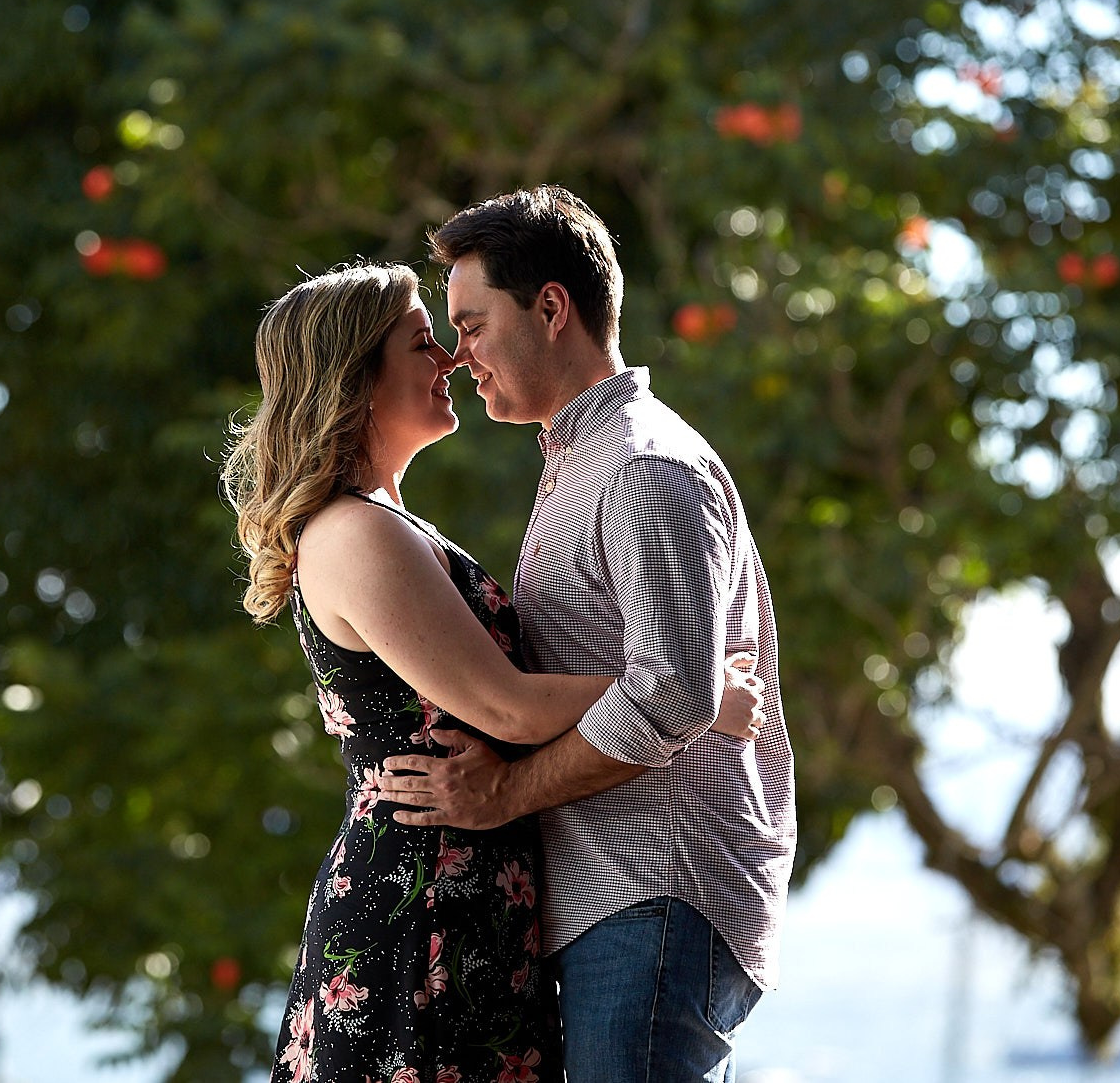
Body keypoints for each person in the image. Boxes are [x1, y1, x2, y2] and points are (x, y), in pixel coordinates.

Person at [222, 261, 765, 1083]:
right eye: (422, 342)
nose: (447, 360)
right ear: (357, 377)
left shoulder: (385, 524)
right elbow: (507, 707)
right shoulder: (356, 533)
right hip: (422, 903)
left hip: (469, 891)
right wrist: (697, 696)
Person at [376, 187, 796, 1083]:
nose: (459, 355)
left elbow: (672, 694)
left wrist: (504, 794)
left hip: (656, 890)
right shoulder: (582, 460)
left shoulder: (642, 465)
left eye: (475, 324)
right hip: (617, 900)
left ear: (552, 307)